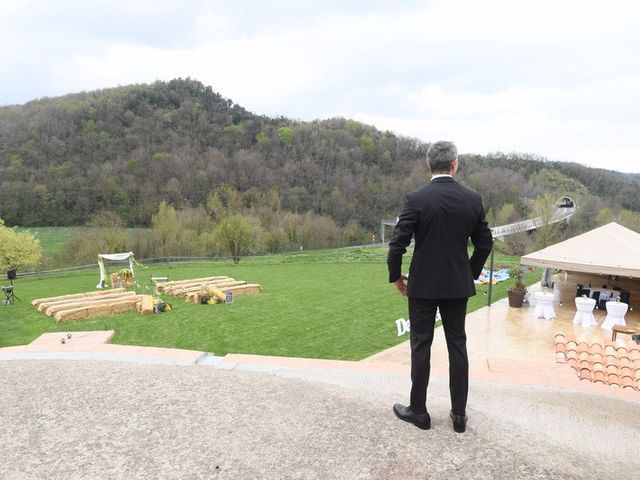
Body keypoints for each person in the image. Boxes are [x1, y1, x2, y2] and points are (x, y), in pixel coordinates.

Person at [387, 141, 492, 433]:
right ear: (455, 163)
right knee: (457, 345)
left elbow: (398, 244)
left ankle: (419, 411)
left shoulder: (416, 199)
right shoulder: (473, 199)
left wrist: (396, 275)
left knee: (421, 345)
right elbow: (485, 243)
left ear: (429, 164)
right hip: (457, 286)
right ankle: (459, 415)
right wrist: (469, 272)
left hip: (422, 286)